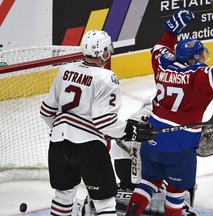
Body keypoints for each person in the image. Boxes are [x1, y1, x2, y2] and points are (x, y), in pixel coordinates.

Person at [125, 8, 213, 216]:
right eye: (199, 56)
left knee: (148, 182)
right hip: (181, 145)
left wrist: (172, 31)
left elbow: (159, 47)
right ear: (190, 60)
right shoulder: (198, 76)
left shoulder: (162, 65)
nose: (202, 59)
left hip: (152, 139)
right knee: (176, 192)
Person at [39, 30, 153, 216]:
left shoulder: (64, 70)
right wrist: (129, 131)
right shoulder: (107, 78)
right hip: (89, 149)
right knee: (104, 202)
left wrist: (61, 129)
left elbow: (46, 111)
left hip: (58, 145)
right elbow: (104, 122)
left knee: (63, 196)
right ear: (104, 52)